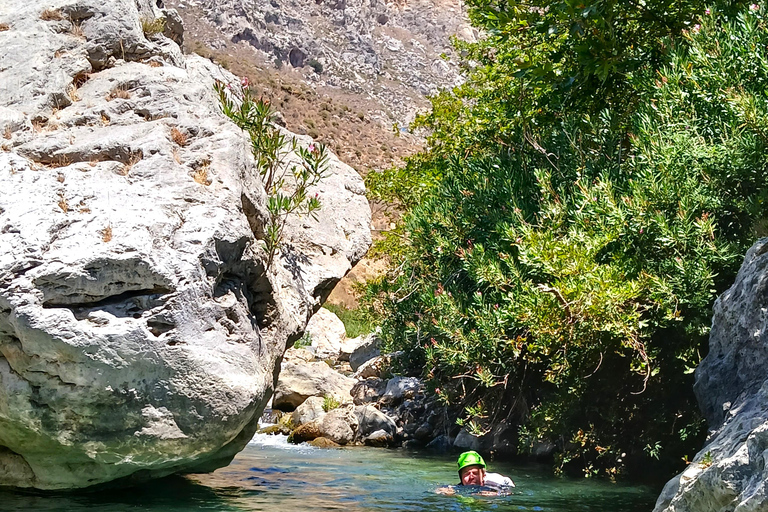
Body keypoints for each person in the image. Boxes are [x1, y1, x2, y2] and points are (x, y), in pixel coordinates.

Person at [436, 451, 514, 495]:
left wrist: (497, 494)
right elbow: (438, 490)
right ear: (461, 477)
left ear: (483, 474)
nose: (471, 477)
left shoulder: (496, 481)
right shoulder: (459, 487)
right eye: (466, 473)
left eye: (475, 473)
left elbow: (510, 492)